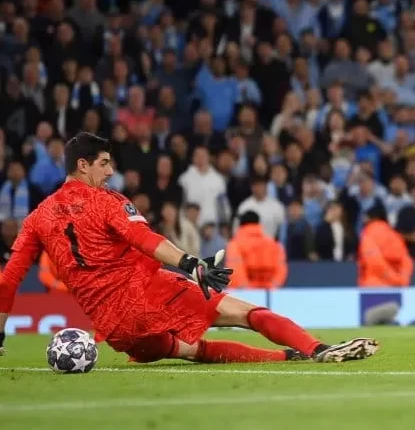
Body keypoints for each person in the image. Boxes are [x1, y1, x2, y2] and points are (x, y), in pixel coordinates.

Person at [0, 133, 379, 363]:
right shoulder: (108, 202)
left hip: (117, 332)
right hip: (149, 296)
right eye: (103, 164)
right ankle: (316, 349)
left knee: (194, 351)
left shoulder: (37, 216)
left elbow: (9, 280)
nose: (110, 171)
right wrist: (192, 263)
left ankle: (286, 357)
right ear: (82, 165)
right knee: (248, 313)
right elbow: (147, 241)